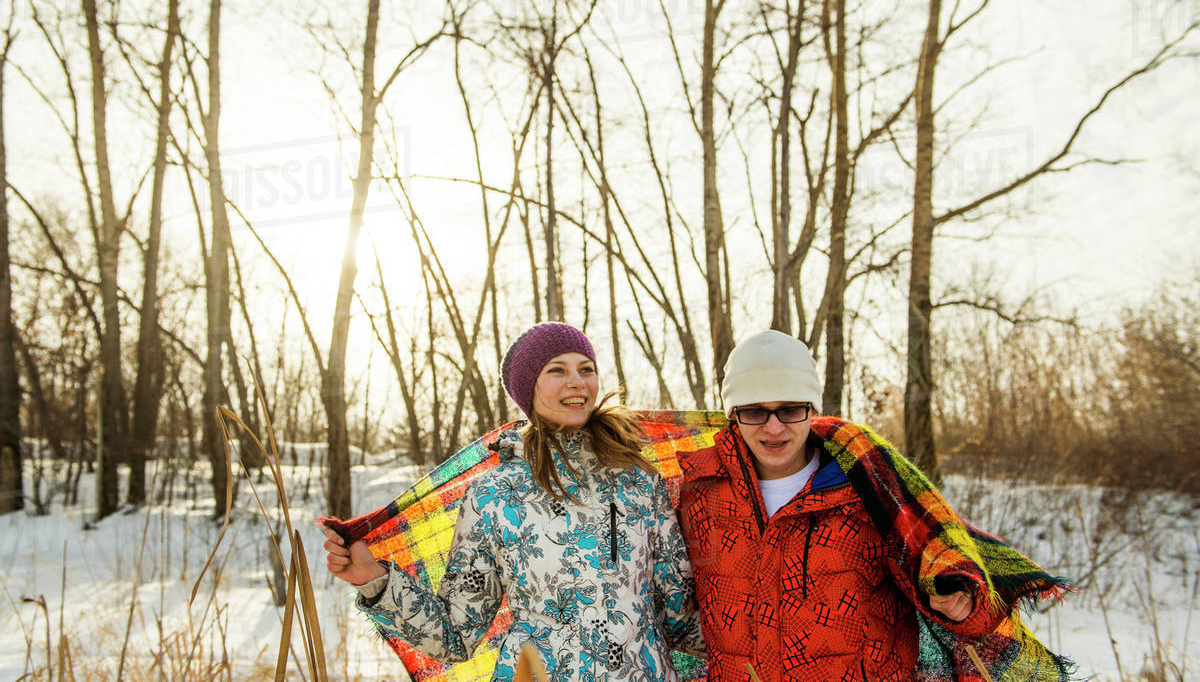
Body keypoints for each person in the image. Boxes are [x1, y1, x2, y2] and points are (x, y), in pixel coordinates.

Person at [677, 329, 1072, 682]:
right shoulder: (696, 493)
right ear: (732, 415)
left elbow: (953, 572)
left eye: (790, 409)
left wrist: (963, 605)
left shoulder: (872, 488)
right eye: (755, 411)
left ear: (812, 409)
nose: (774, 426)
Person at [324, 322, 704, 682]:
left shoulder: (638, 479)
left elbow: (679, 617)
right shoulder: (493, 495)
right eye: (557, 370)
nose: (577, 381)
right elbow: (457, 634)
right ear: (528, 388)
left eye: (586, 368)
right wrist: (374, 582)